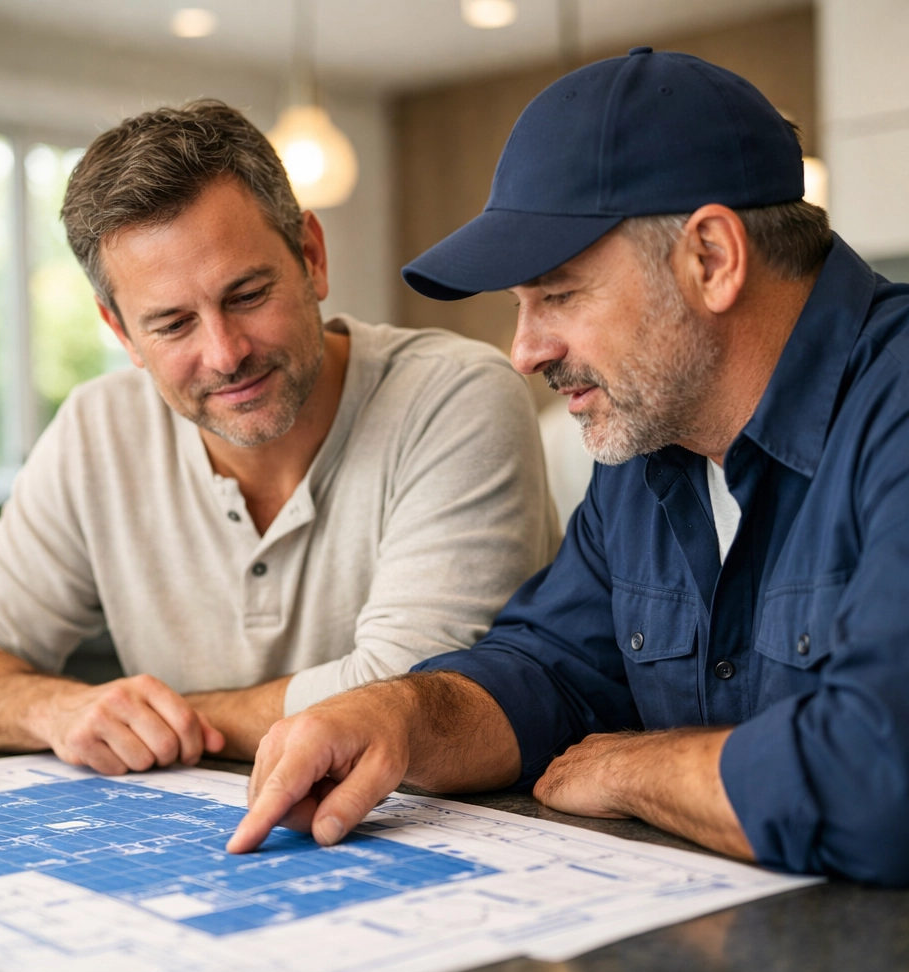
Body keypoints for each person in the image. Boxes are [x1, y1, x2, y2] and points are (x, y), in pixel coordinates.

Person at [228, 49, 909, 886]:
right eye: (520, 306)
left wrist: (636, 769)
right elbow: (551, 670)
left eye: (558, 294)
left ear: (713, 259)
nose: (525, 352)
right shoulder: (651, 437)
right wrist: (397, 715)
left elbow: (880, 780)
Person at [0, 101, 560, 775]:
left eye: (245, 296)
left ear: (312, 257)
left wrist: (162, 721)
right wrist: (58, 711)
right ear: (121, 332)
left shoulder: (454, 395)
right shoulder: (98, 429)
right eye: (172, 324)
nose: (224, 353)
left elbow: (404, 699)